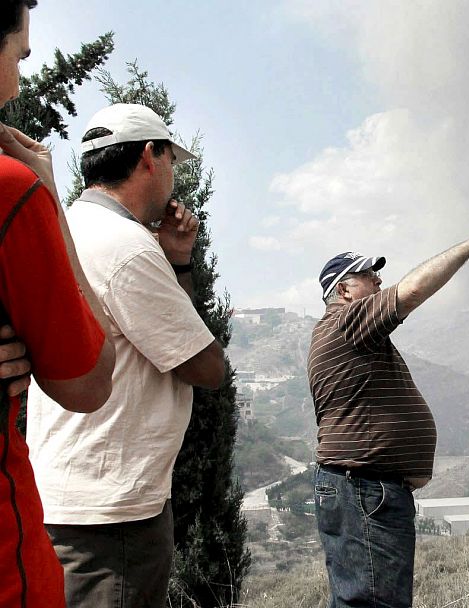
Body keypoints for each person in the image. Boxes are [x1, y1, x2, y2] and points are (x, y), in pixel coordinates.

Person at [26, 103, 225, 607]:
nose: (175, 176)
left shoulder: (69, 226)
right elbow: (204, 366)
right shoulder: (127, 248)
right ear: (148, 158)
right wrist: (168, 260)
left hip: (68, 493)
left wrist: (176, 259)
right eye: (172, 160)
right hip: (112, 516)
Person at [308, 229, 469, 607]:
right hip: (365, 490)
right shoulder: (347, 322)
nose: (379, 280)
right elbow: (413, 291)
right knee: (376, 601)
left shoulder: (344, 333)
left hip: (360, 489)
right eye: (368, 276)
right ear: (343, 292)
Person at [0, 1, 117, 606]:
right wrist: (47, 196)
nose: (20, 78)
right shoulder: (11, 192)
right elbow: (90, 382)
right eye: (19, 55)